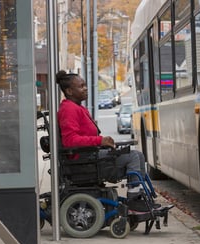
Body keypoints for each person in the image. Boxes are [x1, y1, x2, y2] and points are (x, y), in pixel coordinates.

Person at [56, 70, 157, 213]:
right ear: (69, 91)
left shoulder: (77, 107)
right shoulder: (69, 109)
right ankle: (134, 198)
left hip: (90, 156)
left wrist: (103, 142)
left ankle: (139, 195)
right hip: (83, 162)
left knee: (138, 155)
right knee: (133, 156)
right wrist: (100, 140)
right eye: (81, 86)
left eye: (85, 85)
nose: (85, 88)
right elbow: (70, 141)